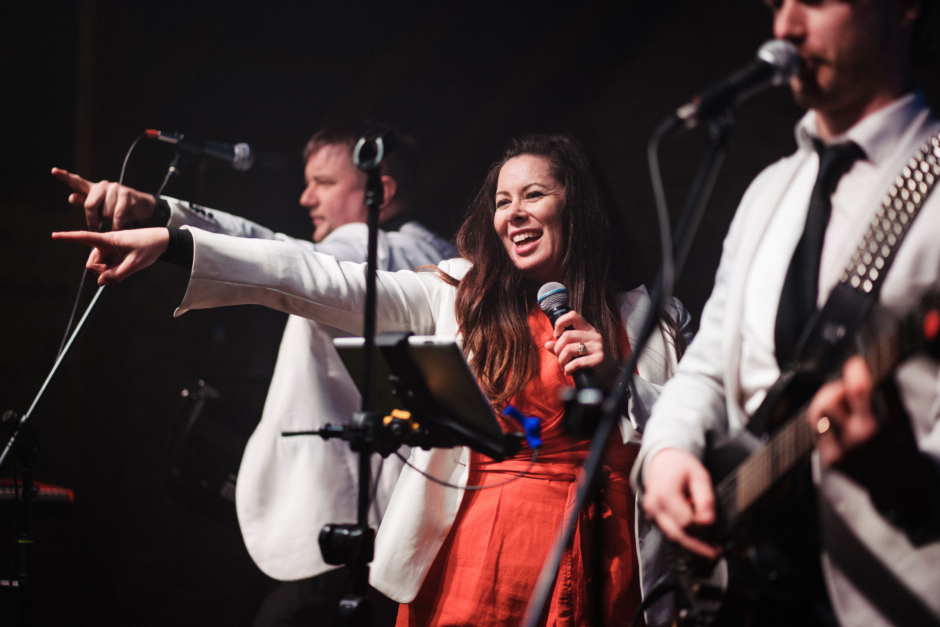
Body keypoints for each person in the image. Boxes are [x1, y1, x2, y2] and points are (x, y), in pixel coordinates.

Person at [52, 133, 689, 625]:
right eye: (501, 200)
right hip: (474, 556)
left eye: (534, 195)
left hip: (604, 557)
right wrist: (176, 241)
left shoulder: (648, 318)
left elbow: (694, 437)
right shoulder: (458, 295)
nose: (513, 214)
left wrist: (620, 382)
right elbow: (308, 275)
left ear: (578, 205)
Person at [52, 122, 457, 627]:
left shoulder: (365, 244)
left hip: (341, 530)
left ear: (382, 191)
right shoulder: (439, 256)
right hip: (401, 530)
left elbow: (278, 256)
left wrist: (163, 217)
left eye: (325, 183)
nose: (307, 197)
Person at [634, 1, 940, 625]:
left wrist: (903, 475)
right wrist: (666, 453)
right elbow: (707, 370)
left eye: (818, 1)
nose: (785, 29)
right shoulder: (768, 191)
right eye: (777, 4)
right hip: (750, 591)